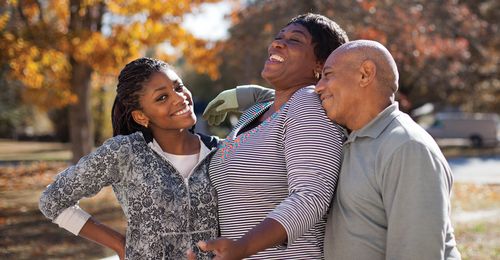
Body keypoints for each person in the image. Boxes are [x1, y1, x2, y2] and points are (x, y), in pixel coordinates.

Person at [38, 57, 273, 259]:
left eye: (178, 87)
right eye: (162, 98)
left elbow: (286, 144)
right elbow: (52, 200)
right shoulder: (126, 152)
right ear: (141, 116)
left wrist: (264, 95)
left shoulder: (222, 151)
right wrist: (119, 244)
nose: (180, 98)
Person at [196, 13, 348, 259]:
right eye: (278, 37)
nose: (277, 44)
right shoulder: (256, 111)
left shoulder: (307, 103)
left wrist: (243, 247)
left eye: (295, 40)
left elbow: (311, 197)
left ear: (320, 65)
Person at [314, 40, 461, 259]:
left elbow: (417, 253)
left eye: (328, 74)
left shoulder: (407, 147)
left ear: (365, 74)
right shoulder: (347, 140)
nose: (319, 87)